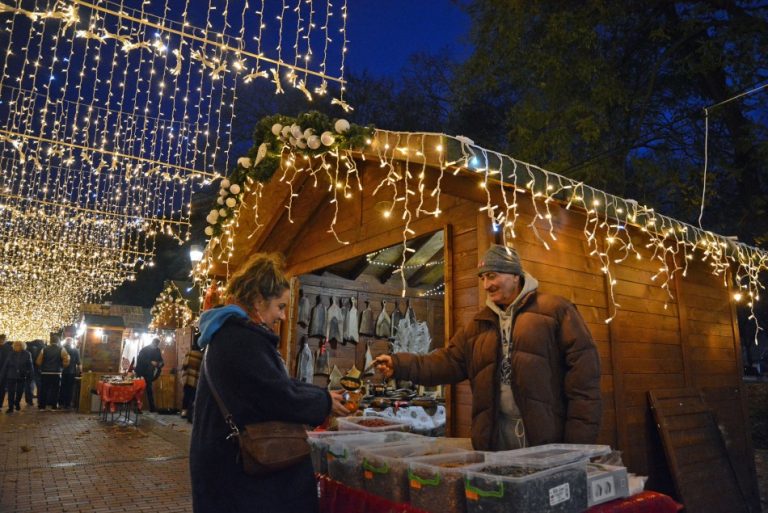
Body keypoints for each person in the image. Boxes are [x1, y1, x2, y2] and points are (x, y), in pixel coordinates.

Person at [375, 244, 603, 450]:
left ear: (515, 275)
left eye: (492, 276)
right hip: (496, 438)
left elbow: (584, 381)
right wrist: (399, 363)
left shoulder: (556, 311)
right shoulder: (478, 325)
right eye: (483, 278)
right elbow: (447, 362)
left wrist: (577, 444)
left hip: (547, 438)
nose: (486, 285)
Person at [190, 252, 351, 513]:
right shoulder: (241, 340)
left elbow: (275, 384)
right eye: (280, 306)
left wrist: (321, 395)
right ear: (257, 300)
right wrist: (323, 400)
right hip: (239, 474)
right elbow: (277, 393)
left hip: (225, 468)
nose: (284, 316)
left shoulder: (231, 334)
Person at [36, 334, 70, 410]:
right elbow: (66, 361)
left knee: (44, 390)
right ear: (58, 341)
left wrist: (42, 367)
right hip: (56, 373)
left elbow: (38, 361)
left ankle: (42, 406)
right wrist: (62, 367)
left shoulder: (44, 349)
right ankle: (54, 406)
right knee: (55, 390)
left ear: (50, 341)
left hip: (45, 373)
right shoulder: (62, 349)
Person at [0, 341, 34, 413]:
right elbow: (6, 365)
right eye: (16, 345)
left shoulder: (27, 354)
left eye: (19, 345)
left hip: (22, 375)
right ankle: (11, 407)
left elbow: (30, 365)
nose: (17, 346)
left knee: (20, 391)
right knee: (11, 392)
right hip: (11, 375)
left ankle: (17, 402)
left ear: (22, 346)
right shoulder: (10, 354)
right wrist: (2, 375)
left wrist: (30, 374)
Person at [135, 337, 164, 412]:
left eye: (157, 345)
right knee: (138, 390)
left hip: (150, 373)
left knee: (149, 390)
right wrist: (150, 362)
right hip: (141, 372)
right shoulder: (145, 349)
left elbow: (161, 360)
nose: (156, 346)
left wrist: (160, 363)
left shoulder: (157, 350)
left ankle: (152, 408)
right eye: (155, 344)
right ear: (152, 342)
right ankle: (137, 408)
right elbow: (140, 360)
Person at [180, 337, 202, 421]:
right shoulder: (201, 355)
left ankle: (184, 412)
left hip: (188, 378)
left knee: (186, 395)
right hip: (196, 379)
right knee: (193, 397)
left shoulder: (189, 353)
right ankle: (191, 415)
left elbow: (184, 365)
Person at [58, 338, 82, 409]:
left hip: (62, 371)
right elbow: (78, 363)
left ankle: (61, 403)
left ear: (65, 342)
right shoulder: (75, 350)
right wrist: (80, 371)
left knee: (62, 387)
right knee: (70, 388)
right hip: (72, 372)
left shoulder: (61, 350)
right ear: (71, 342)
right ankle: (67, 404)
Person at [24, 339, 45, 407]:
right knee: (40, 385)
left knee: (29, 385)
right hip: (39, 368)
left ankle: (29, 401)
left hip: (29, 369)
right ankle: (40, 400)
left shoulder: (28, 346)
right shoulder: (43, 347)